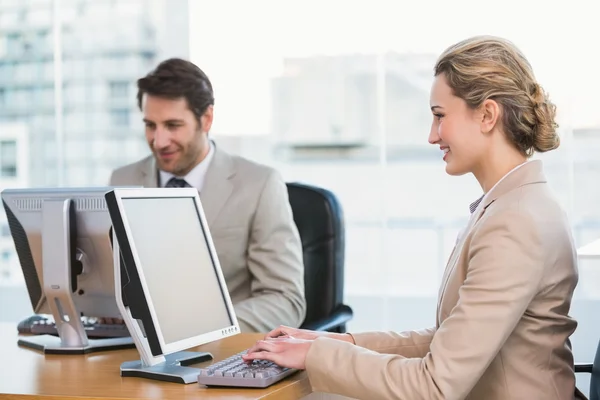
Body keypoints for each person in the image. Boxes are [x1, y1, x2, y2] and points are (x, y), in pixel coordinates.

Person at [242, 36, 580, 399]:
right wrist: (331, 342)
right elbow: (447, 343)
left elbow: (434, 385)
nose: (432, 135)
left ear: (487, 115)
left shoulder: (514, 221)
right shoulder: (514, 204)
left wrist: (317, 354)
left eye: (439, 116)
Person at [109, 58, 306, 333]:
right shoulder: (122, 181)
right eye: (150, 125)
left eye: (173, 125)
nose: (159, 141)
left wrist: (202, 328)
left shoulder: (259, 185)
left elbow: (285, 299)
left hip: (220, 354)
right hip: (132, 347)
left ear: (207, 119)